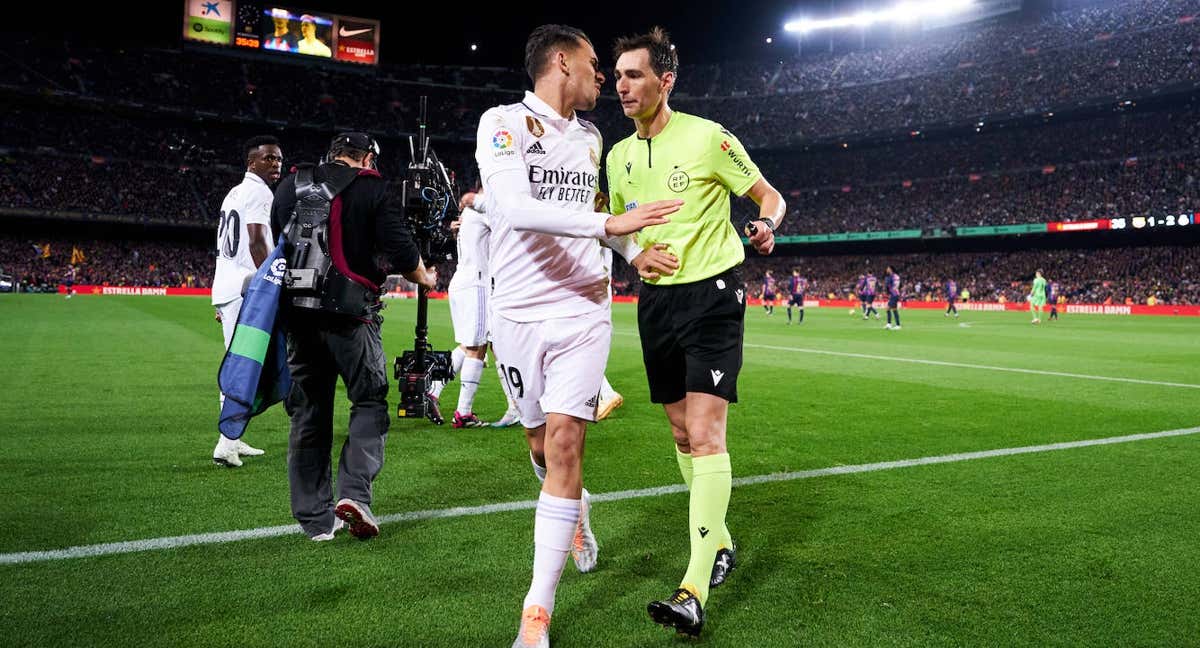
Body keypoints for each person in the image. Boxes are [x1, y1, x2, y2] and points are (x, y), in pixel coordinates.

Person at [463, 24, 681, 648]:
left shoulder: (590, 138)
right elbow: (516, 208)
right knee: (537, 442)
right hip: (518, 312)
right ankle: (576, 507)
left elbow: (598, 221)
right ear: (561, 61)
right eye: (593, 64)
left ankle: (537, 610)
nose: (603, 78)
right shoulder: (501, 123)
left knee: (564, 442)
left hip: (583, 308)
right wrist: (611, 221)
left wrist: (631, 249)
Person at [607, 27, 785, 637]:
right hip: (654, 302)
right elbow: (616, 225)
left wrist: (763, 224)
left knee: (707, 434)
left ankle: (693, 585)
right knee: (681, 432)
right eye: (619, 74)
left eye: (635, 74)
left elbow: (770, 196)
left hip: (713, 293)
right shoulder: (618, 155)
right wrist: (633, 255)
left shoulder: (710, 138)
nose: (622, 85)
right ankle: (724, 542)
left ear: (666, 80)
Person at [269, 132, 437, 541]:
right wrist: (424, 276)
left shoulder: (290, 184)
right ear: (364, 158)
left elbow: (279, 239)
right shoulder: (372, 188)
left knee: (309, 413)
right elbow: (401, 251)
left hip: (298, 317)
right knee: (368, 402)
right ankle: (355, 496)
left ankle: (314, 520)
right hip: (350, 317)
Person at [211, 135, 283, 468]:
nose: (276, 164)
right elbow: (256, 243)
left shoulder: (234, 192)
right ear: (251, 162)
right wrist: (271, 286)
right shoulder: (258, 192)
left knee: (242, 362)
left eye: (279, 159)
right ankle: (226, 443)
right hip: (244, 288)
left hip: (229, 287)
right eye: (268, 158)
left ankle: (233, 439)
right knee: (244, 366)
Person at [437, 204, 520, 428]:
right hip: (477, 282)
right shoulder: (486, 208)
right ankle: (464, 413)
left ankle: (433, 389)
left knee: (480, 343)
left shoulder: (470, 212)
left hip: (465, 280)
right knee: (478, 346)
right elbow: (511, 229)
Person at [883, 265, 902, 330]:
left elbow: (887, 286)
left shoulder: (890, 277)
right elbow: (900, 285)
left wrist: (887, 291)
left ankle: (891, 324)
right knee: (894, 309)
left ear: (891, 269)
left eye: (887, 269)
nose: (886, 270)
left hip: (894, 294)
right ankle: (896, 325)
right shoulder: (897, 276)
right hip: (895, 293)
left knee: (887, 308)